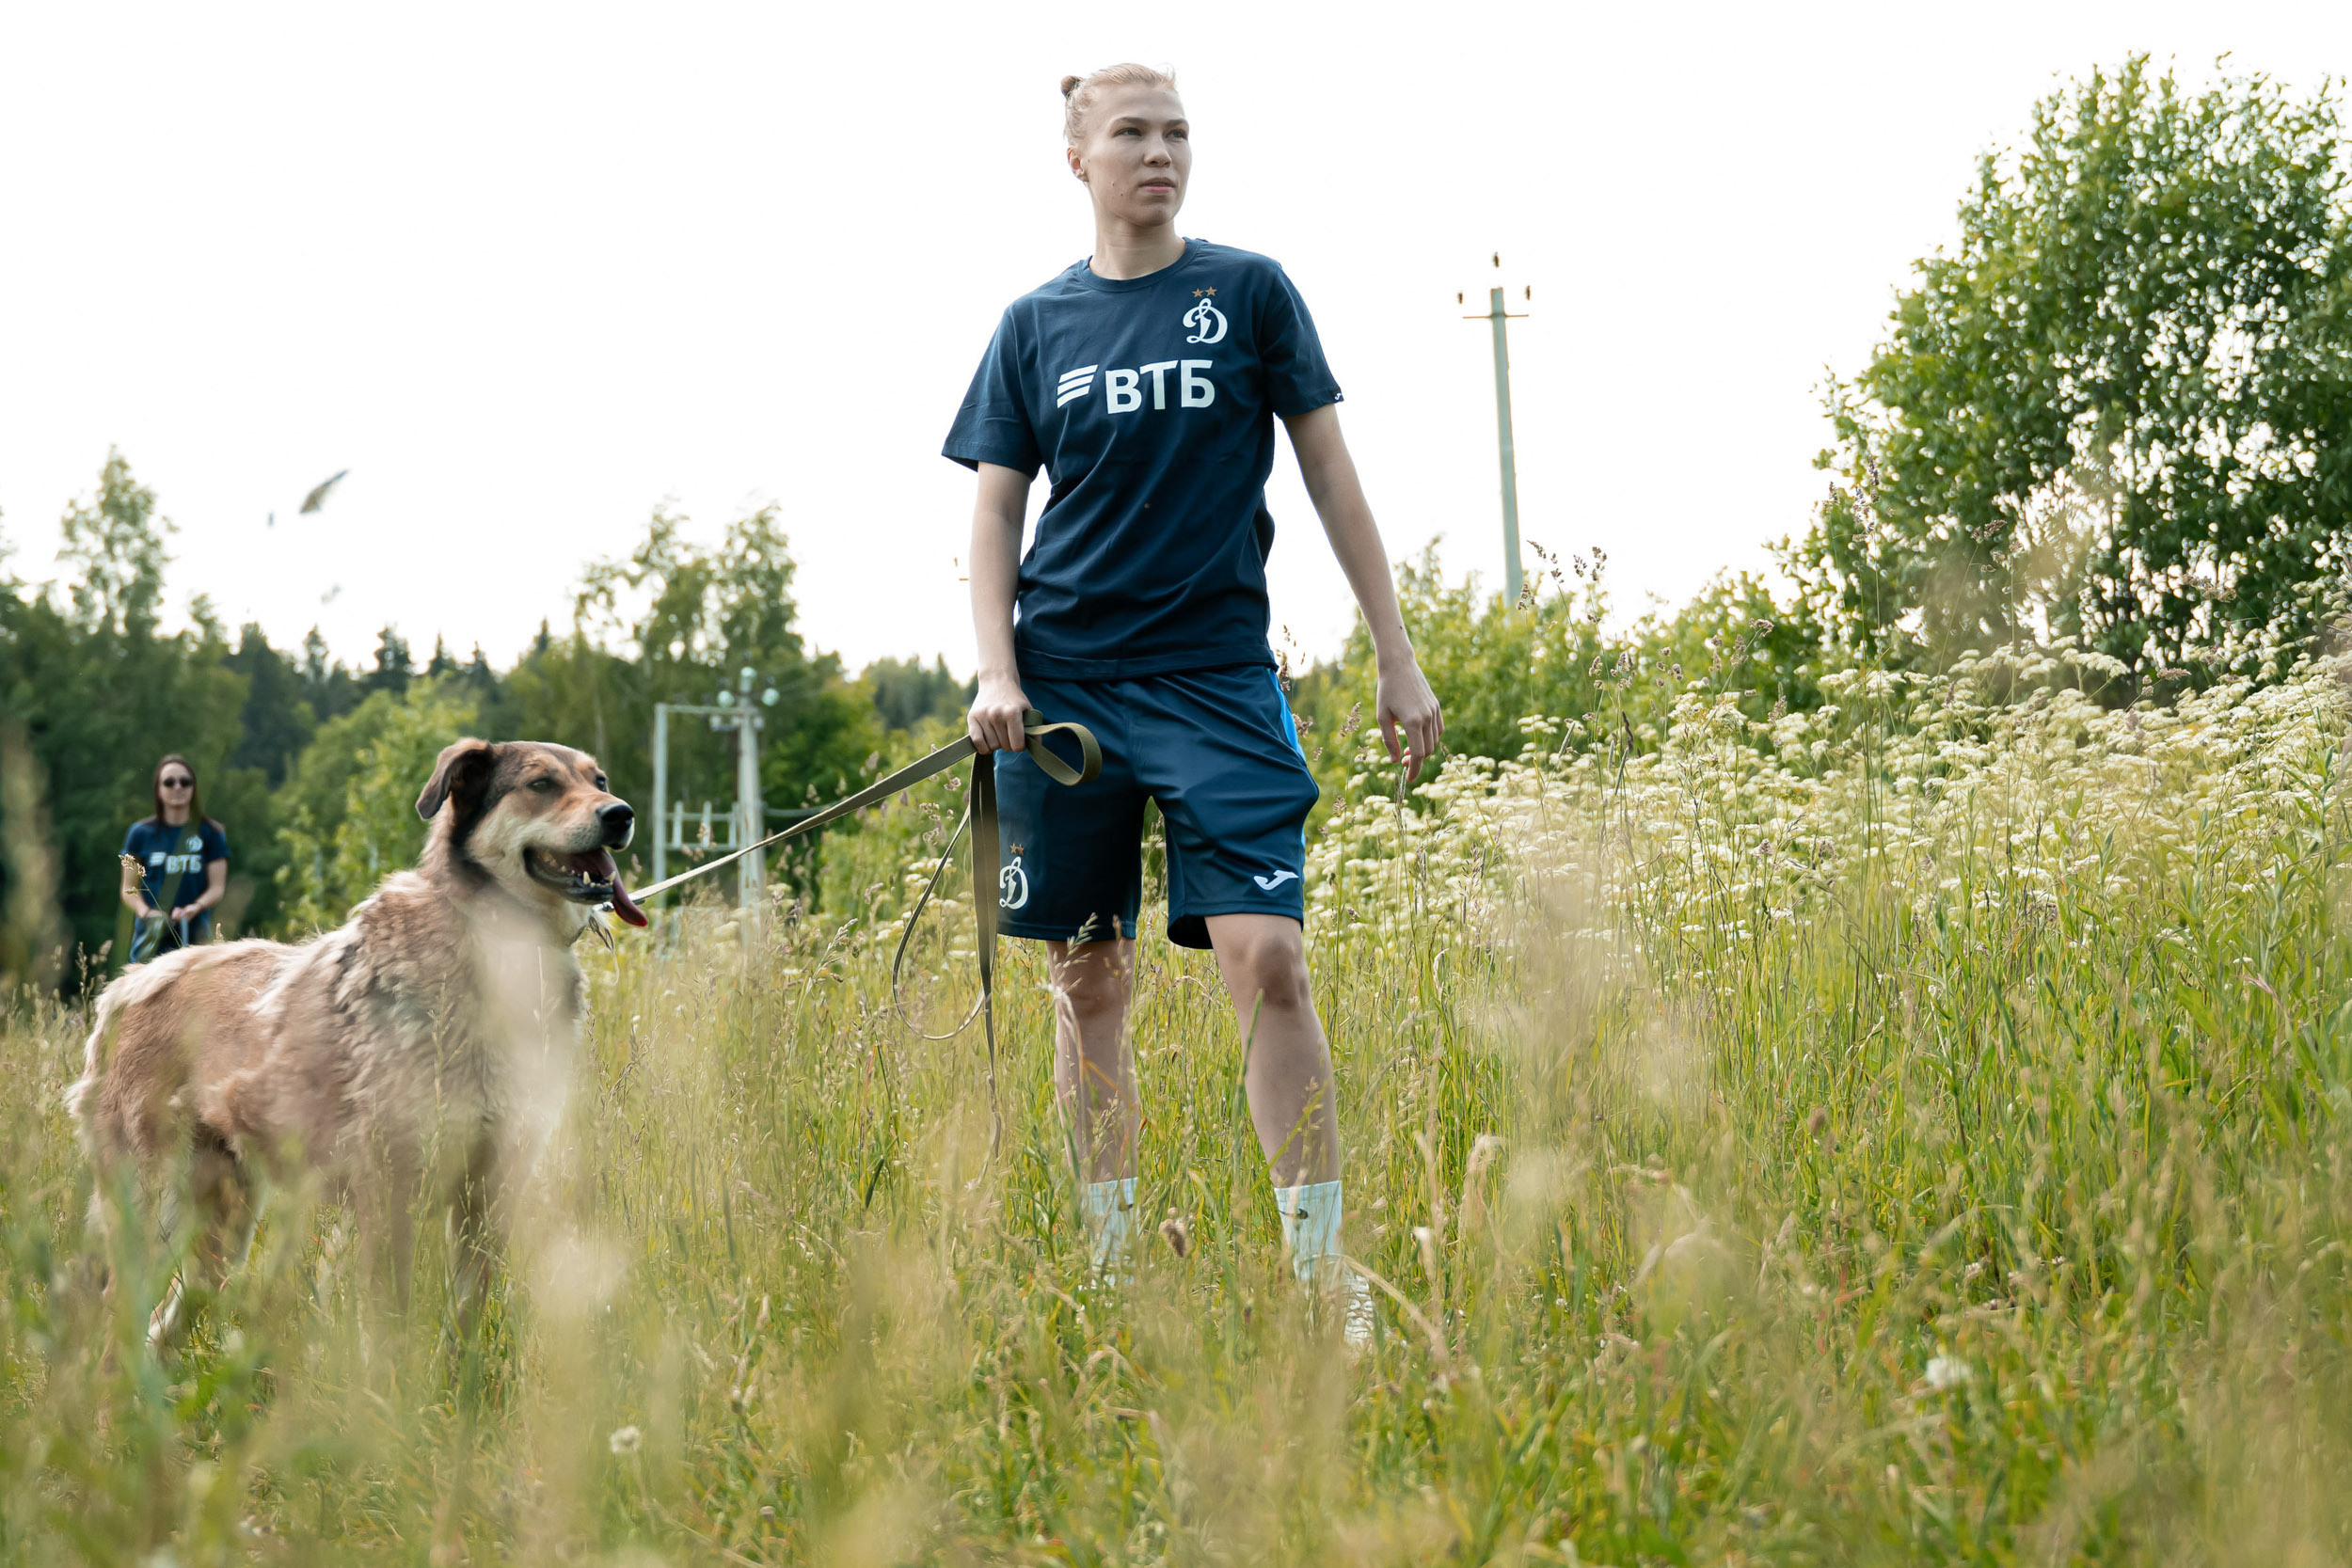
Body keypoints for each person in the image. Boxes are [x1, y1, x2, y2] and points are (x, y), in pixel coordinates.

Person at [946, 64, 1444, 1335]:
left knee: (1269, 956)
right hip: (1067, 686)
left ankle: (1327, 1281)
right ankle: (1111, 1270)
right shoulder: (1034, 326)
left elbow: (1331, 472)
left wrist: (1397, 651)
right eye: (1131, 133)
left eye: (1176, 132)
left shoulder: (1250, 291)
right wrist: (998, 672)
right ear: (1079, 157)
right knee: (1087, 977)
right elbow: (996, 509)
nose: (1158, 152)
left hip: (1220, 678)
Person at [120, 753, 230, 963]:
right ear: (158, 789)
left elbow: (217, 887)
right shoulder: (140, 834)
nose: (177, 787)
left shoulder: (211, 832)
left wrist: (195, 907)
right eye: (169, 782)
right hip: (151, 935)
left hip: (194, 933)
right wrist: (147, 913)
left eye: (185, 782)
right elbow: (128, 888)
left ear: (193, 788)